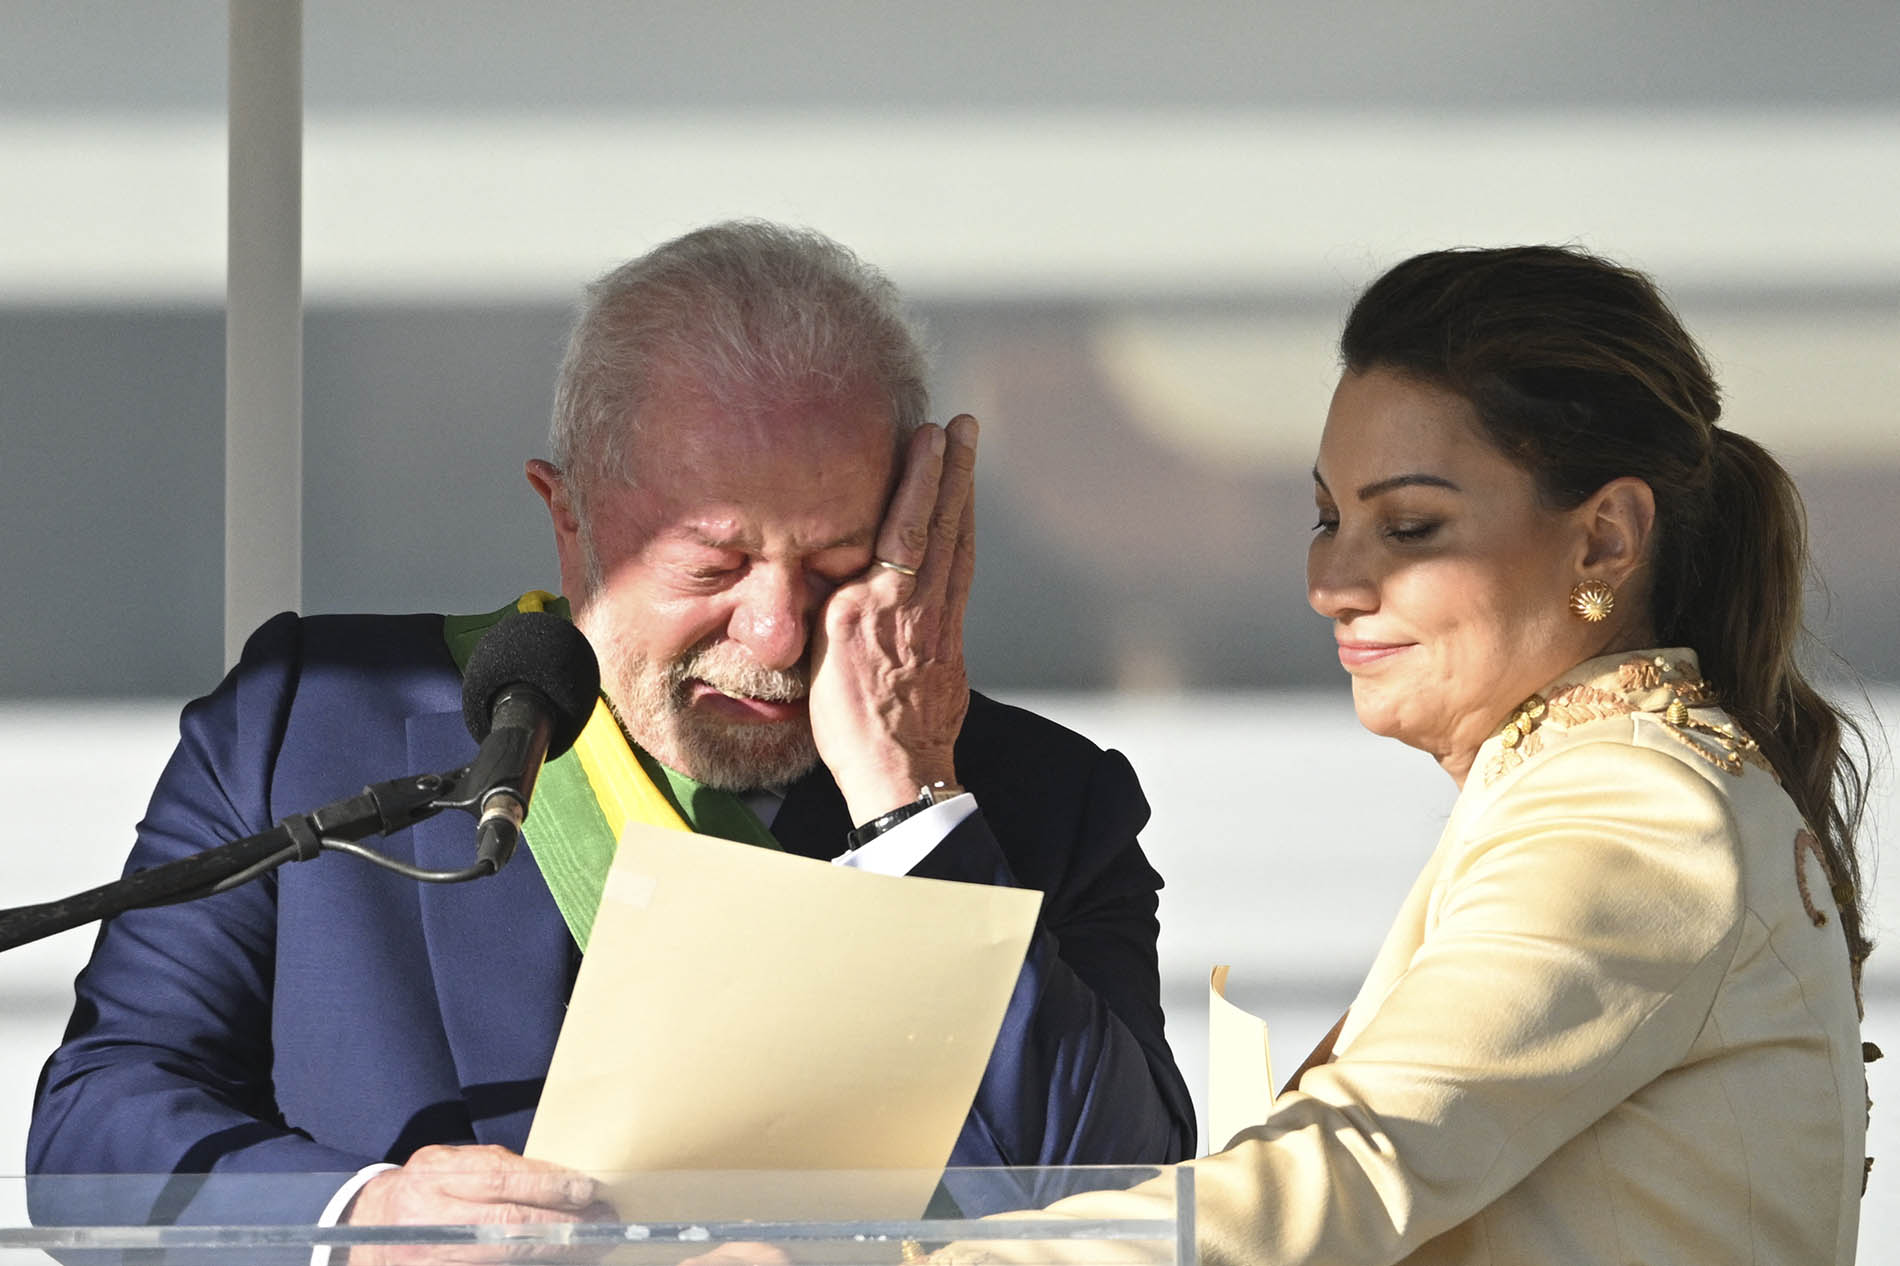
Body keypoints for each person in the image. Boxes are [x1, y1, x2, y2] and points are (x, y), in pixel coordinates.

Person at [27, 221, 1196, 1232]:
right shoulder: (307, 726)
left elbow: (1132, 1201)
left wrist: (911, 802)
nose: (778, 629)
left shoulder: (1042, 806)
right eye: (713, 562)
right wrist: (359, 1218)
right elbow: (94, 1135)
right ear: (570, 519)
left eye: (840, 563)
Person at [914, 245, 1873, 1265]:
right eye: (1329, 518)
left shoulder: (1630, 808)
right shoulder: (1608, 787)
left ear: (1603, 540)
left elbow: (1347, 1169)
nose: (1333, 581)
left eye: (1410, 526)